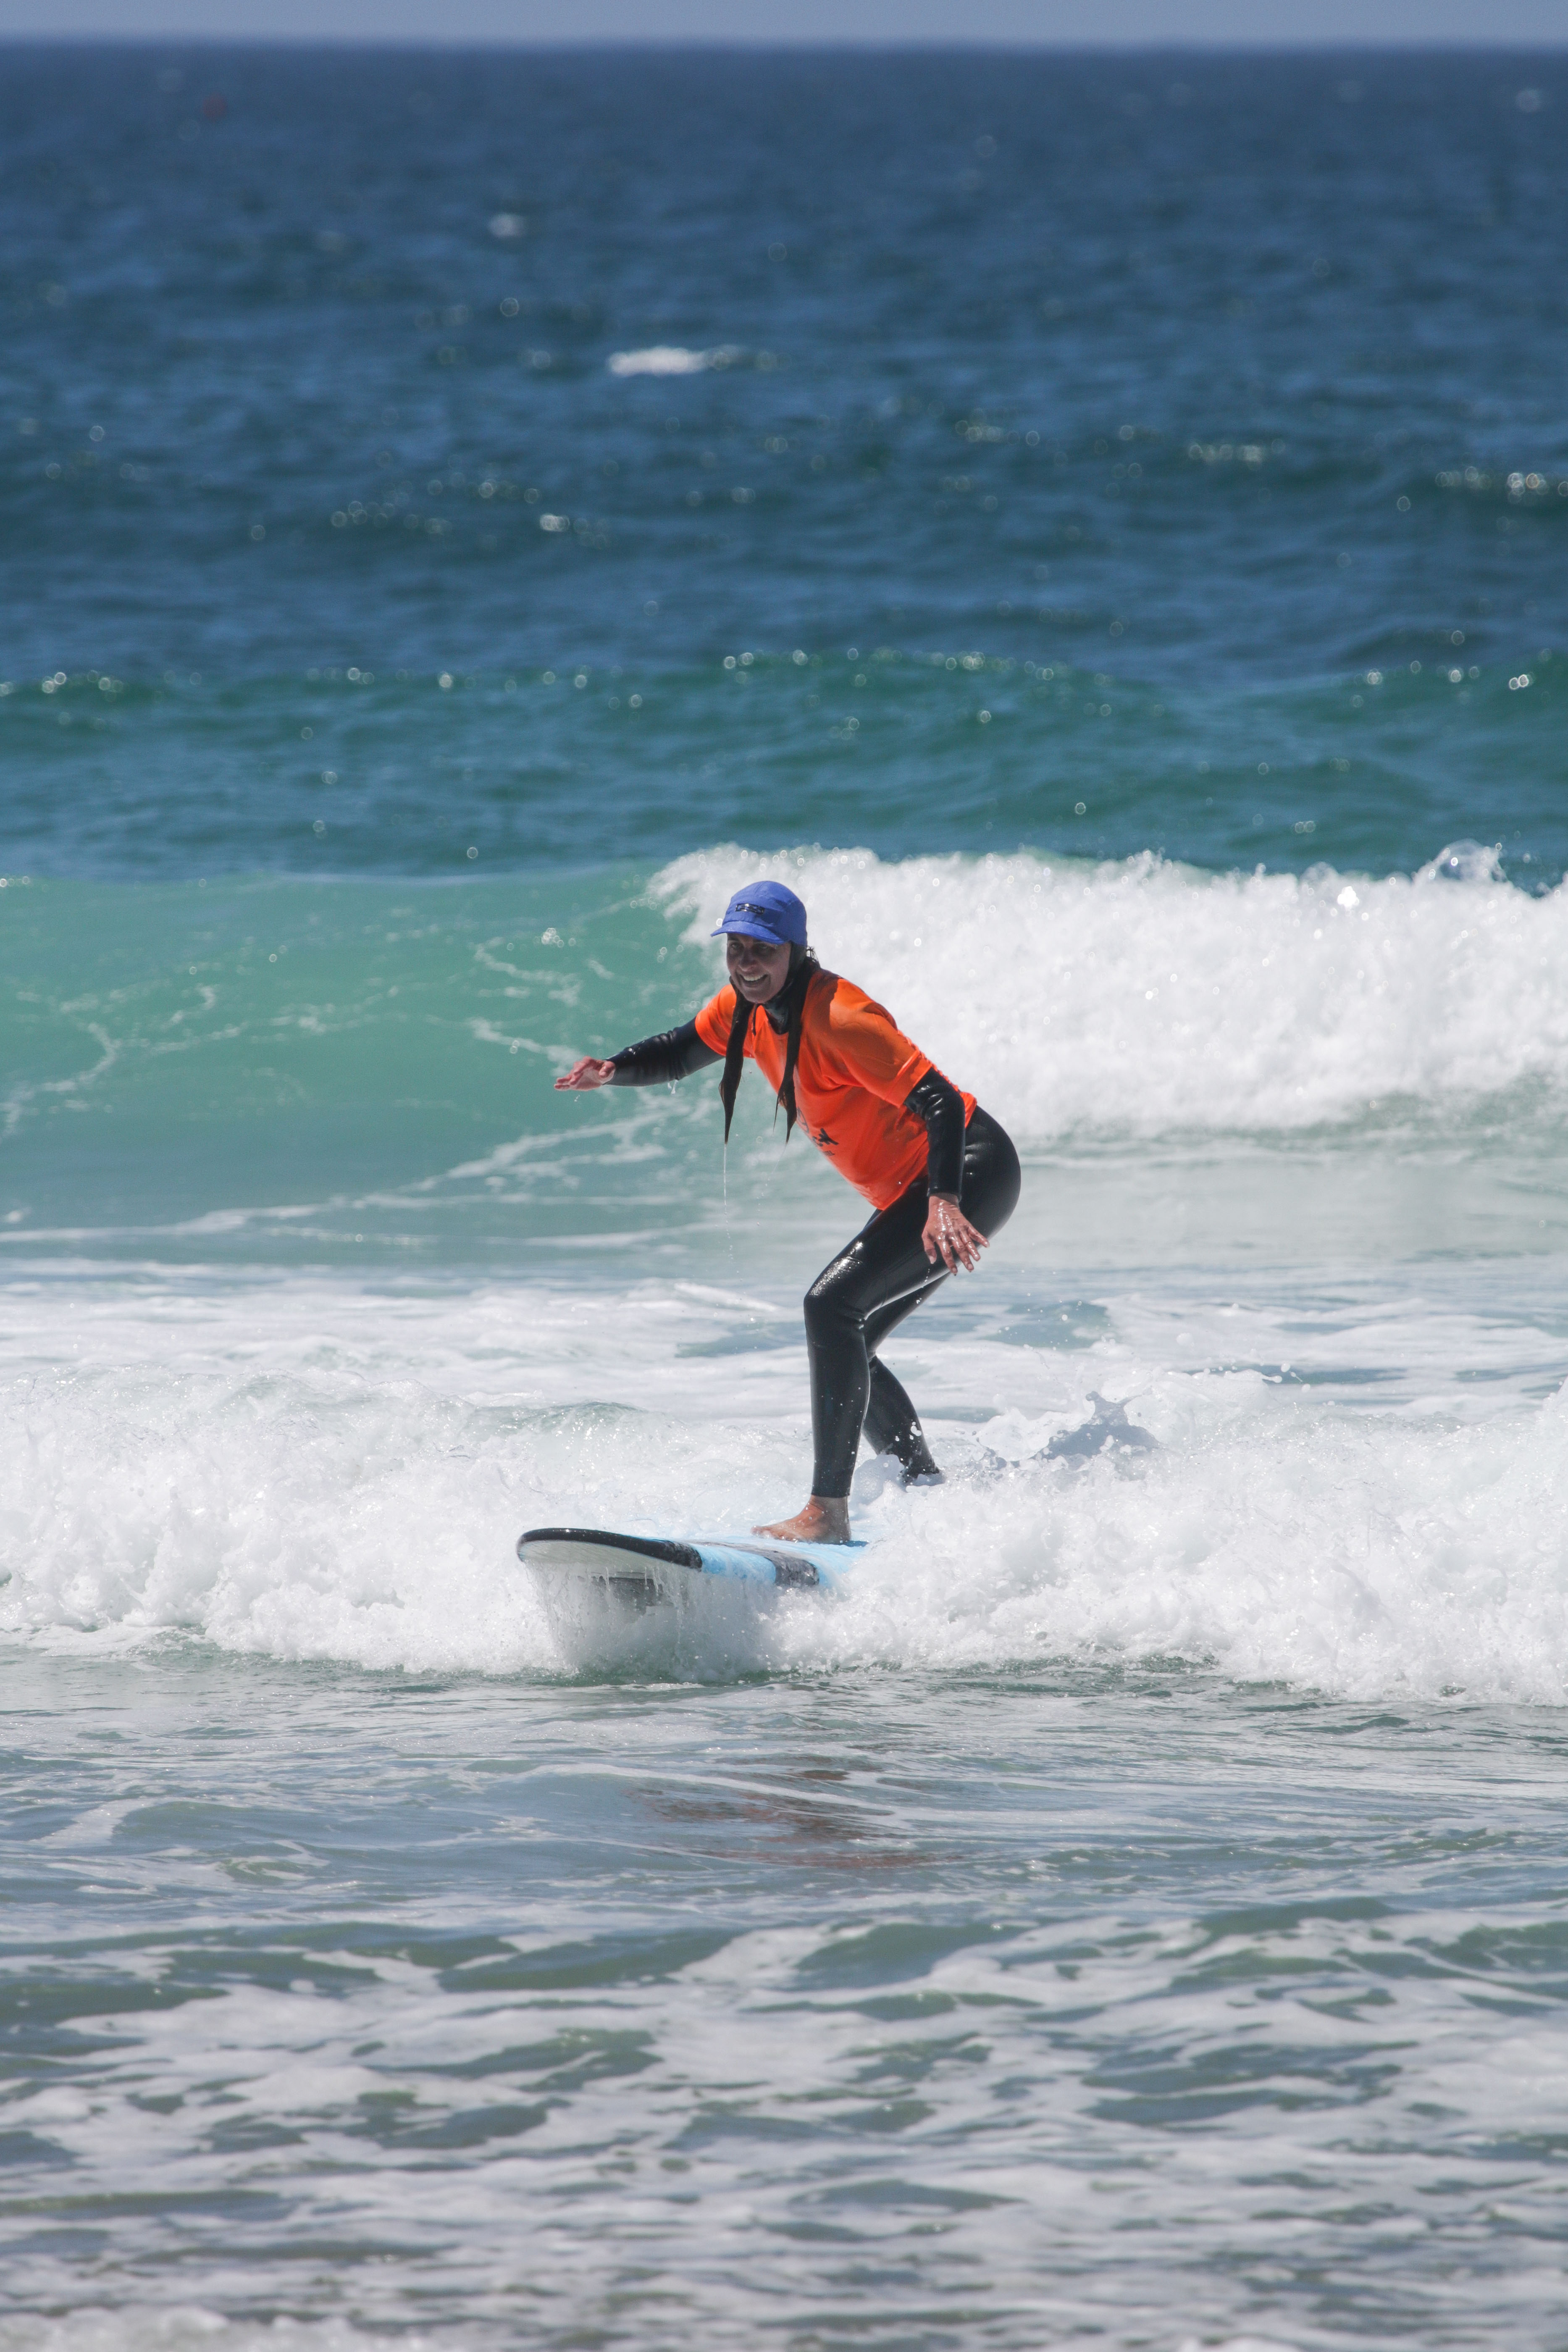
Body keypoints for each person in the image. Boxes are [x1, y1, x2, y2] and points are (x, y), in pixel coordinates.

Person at [555, 879, 1020, 1545]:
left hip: (969, 1172)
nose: (747, 964)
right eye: (736, 949)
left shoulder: (842, 1021)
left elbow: (941, 1101)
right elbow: (683, 1049)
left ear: (796, 950)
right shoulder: (745, 1010)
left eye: (762, 951)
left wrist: (943, 1203)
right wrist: (614, 1069)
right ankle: (925, 1488)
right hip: (913, 1190)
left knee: (829, 1308)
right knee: (849, 1335)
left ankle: (826, 1512)